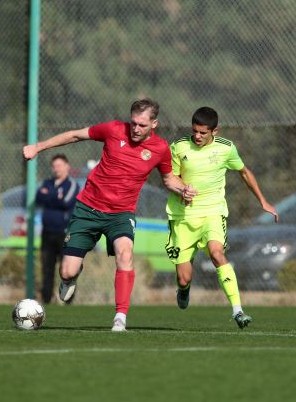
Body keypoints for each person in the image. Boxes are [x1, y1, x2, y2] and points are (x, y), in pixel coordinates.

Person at [23, 99, 196, 332]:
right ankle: (70, 278)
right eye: (133, 123)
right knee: (67, 270)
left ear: (154, 123)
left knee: (125, 254)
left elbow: (168, 179)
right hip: (87, 209)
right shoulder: (114, 129)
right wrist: (37, 147)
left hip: (121, 214)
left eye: (142, 125)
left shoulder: (161, 149)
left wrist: (183, 188)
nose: (136, 129)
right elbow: (75, 135)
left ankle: (120, 318)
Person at [165, 107, 278, 329]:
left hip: (213, 213)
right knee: (183, 278)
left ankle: (238, 310)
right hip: (183, 217)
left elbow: (244, 172)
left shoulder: (226, 148)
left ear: (215, 131)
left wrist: (263, 201)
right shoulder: (178, 146)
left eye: (203, 133)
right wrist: (182, 189)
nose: (197, 136)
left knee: (217, 254)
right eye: (194, 131)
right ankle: (184, 289)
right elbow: (171, 176)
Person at [36, 154, 79, 304]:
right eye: (54, 166)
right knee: (47, 268)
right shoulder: (47, 183)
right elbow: (38, 198)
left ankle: (68, 301)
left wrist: (50, 196)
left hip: (64, 233)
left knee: (67, 269)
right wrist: (55, 197)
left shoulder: (72, 185)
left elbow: (66, 202)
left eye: (59, 165)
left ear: (67, 166)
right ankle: (46, 300)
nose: (56, 169)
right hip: (47, 232)